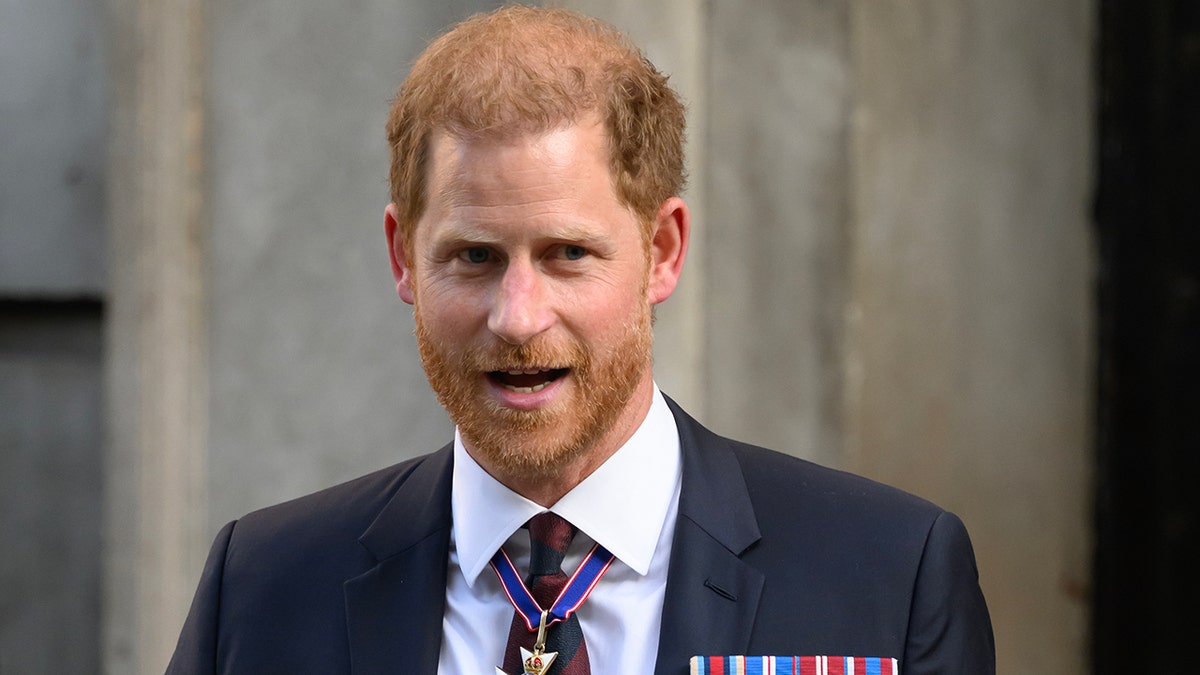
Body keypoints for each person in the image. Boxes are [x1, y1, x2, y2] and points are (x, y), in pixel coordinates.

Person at [167, 6, 994, 675]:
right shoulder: (266, 589)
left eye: (568, 254)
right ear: (402, 257)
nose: (518, 316)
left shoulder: (888, 574)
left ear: (662, 251)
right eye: (473, 256)